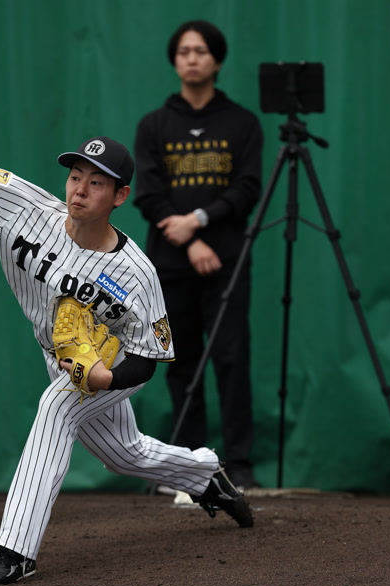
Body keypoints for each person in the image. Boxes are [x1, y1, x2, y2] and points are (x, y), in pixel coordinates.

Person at [0, 52, 253, 586]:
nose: (79, 189)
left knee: (56, 409)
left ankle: (15, 551)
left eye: (96, 183)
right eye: (76, 176)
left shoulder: (137, 273)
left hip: (110, 363)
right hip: (60, 354)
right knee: (125, 454)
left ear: (121, 196)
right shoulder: (21, 209)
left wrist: (105, 377)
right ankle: (205, 475)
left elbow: (149, 359)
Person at [133, 20, 263, 490]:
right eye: (184, 51)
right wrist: (189, 239)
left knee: (231, 359)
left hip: (227, 263)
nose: (192, 59)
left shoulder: (243, 123)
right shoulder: (153, 125)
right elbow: (148, 194)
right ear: (175, 61)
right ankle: (187, 463)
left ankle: (239, 463)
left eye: (201, 51)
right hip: (170, 266)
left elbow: (248, 188)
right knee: (180, 363)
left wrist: (200, 221)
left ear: (217, 61)